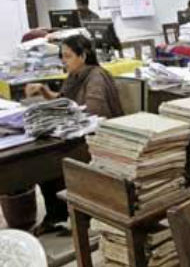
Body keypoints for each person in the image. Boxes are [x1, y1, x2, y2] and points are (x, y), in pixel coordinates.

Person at [24, 35, 124, 235]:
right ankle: (57, 215)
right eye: (62, 56)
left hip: (98, 137)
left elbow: (94, 112)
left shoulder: (95, 77)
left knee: (51, 162)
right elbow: (63, 100)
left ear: (83, 56)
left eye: (68, 56)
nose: (64, 61)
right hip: (77, 133)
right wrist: (44, 91)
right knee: (43, 163)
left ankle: (78, 217)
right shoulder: (75, 75)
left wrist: (65, 118)